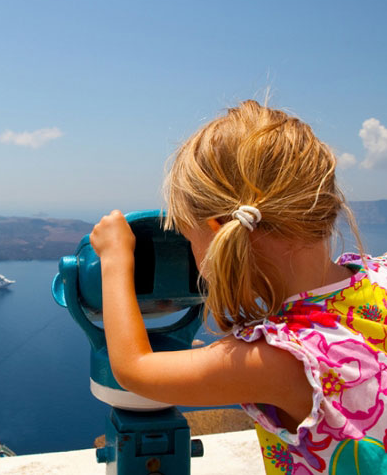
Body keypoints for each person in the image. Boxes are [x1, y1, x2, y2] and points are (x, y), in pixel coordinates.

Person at [89, 100, 387, 474]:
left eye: (187, 239)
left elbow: (134, 369)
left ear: (219, 230)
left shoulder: (284, 359)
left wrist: (115, 259)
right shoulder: (379, 275)